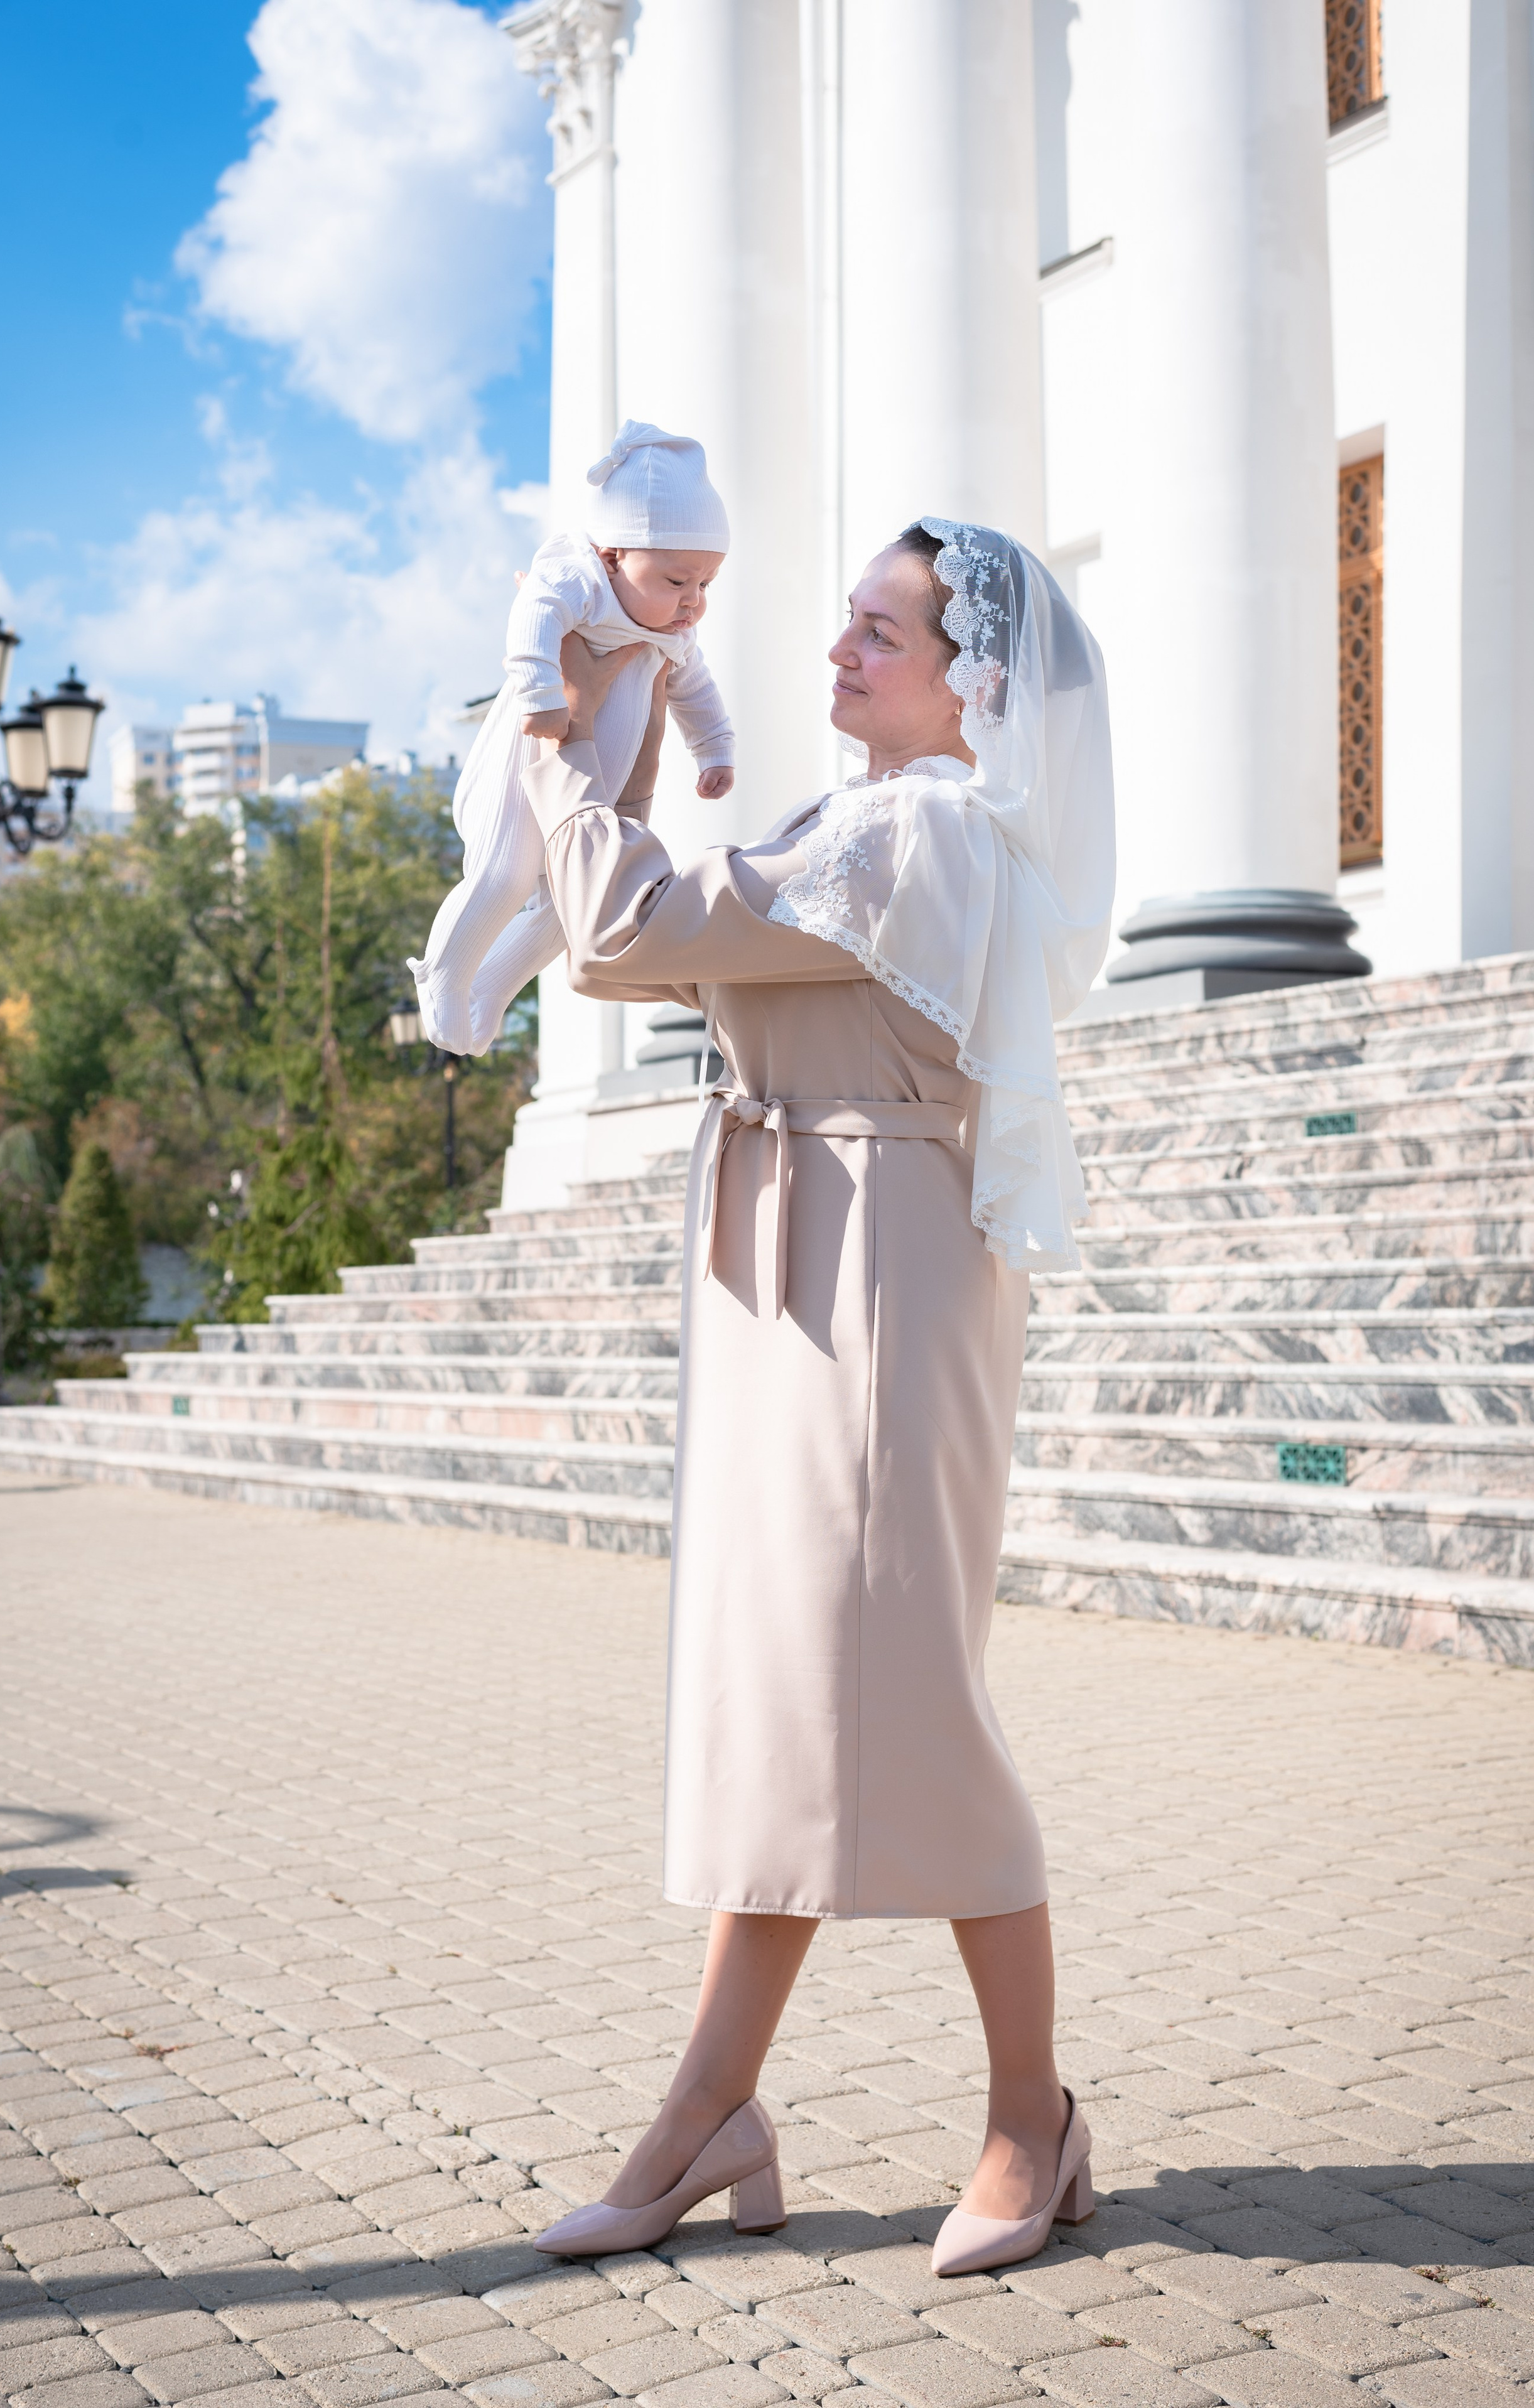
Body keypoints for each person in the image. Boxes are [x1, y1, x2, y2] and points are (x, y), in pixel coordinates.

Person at [524, 520, 1115, 2277]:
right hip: (805, 1254)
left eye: (882, 630)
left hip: (880, 1264)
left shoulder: (922, 831)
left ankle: (1035, 2112)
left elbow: (631, 927)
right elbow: (644, 929)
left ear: (973, 680)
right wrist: (609, 735)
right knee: (787, 1687)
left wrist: (550, 734)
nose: (841, 650)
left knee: (909, 1683)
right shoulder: (866, 825)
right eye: (848, 622)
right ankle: (713, 2107)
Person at [407, 421, 735, 1057]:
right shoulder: (580, 582)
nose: (693, 601)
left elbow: (698, 692)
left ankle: (492, 987)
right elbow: (531, 618)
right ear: (613, 554)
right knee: (503, 876)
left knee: (573, 907)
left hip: (586, 797)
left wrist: (715, 748)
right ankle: (443, 976)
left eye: (705, 585)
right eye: (676, 581)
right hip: (528, 764)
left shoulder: (673, 634)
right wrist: (540, 696)